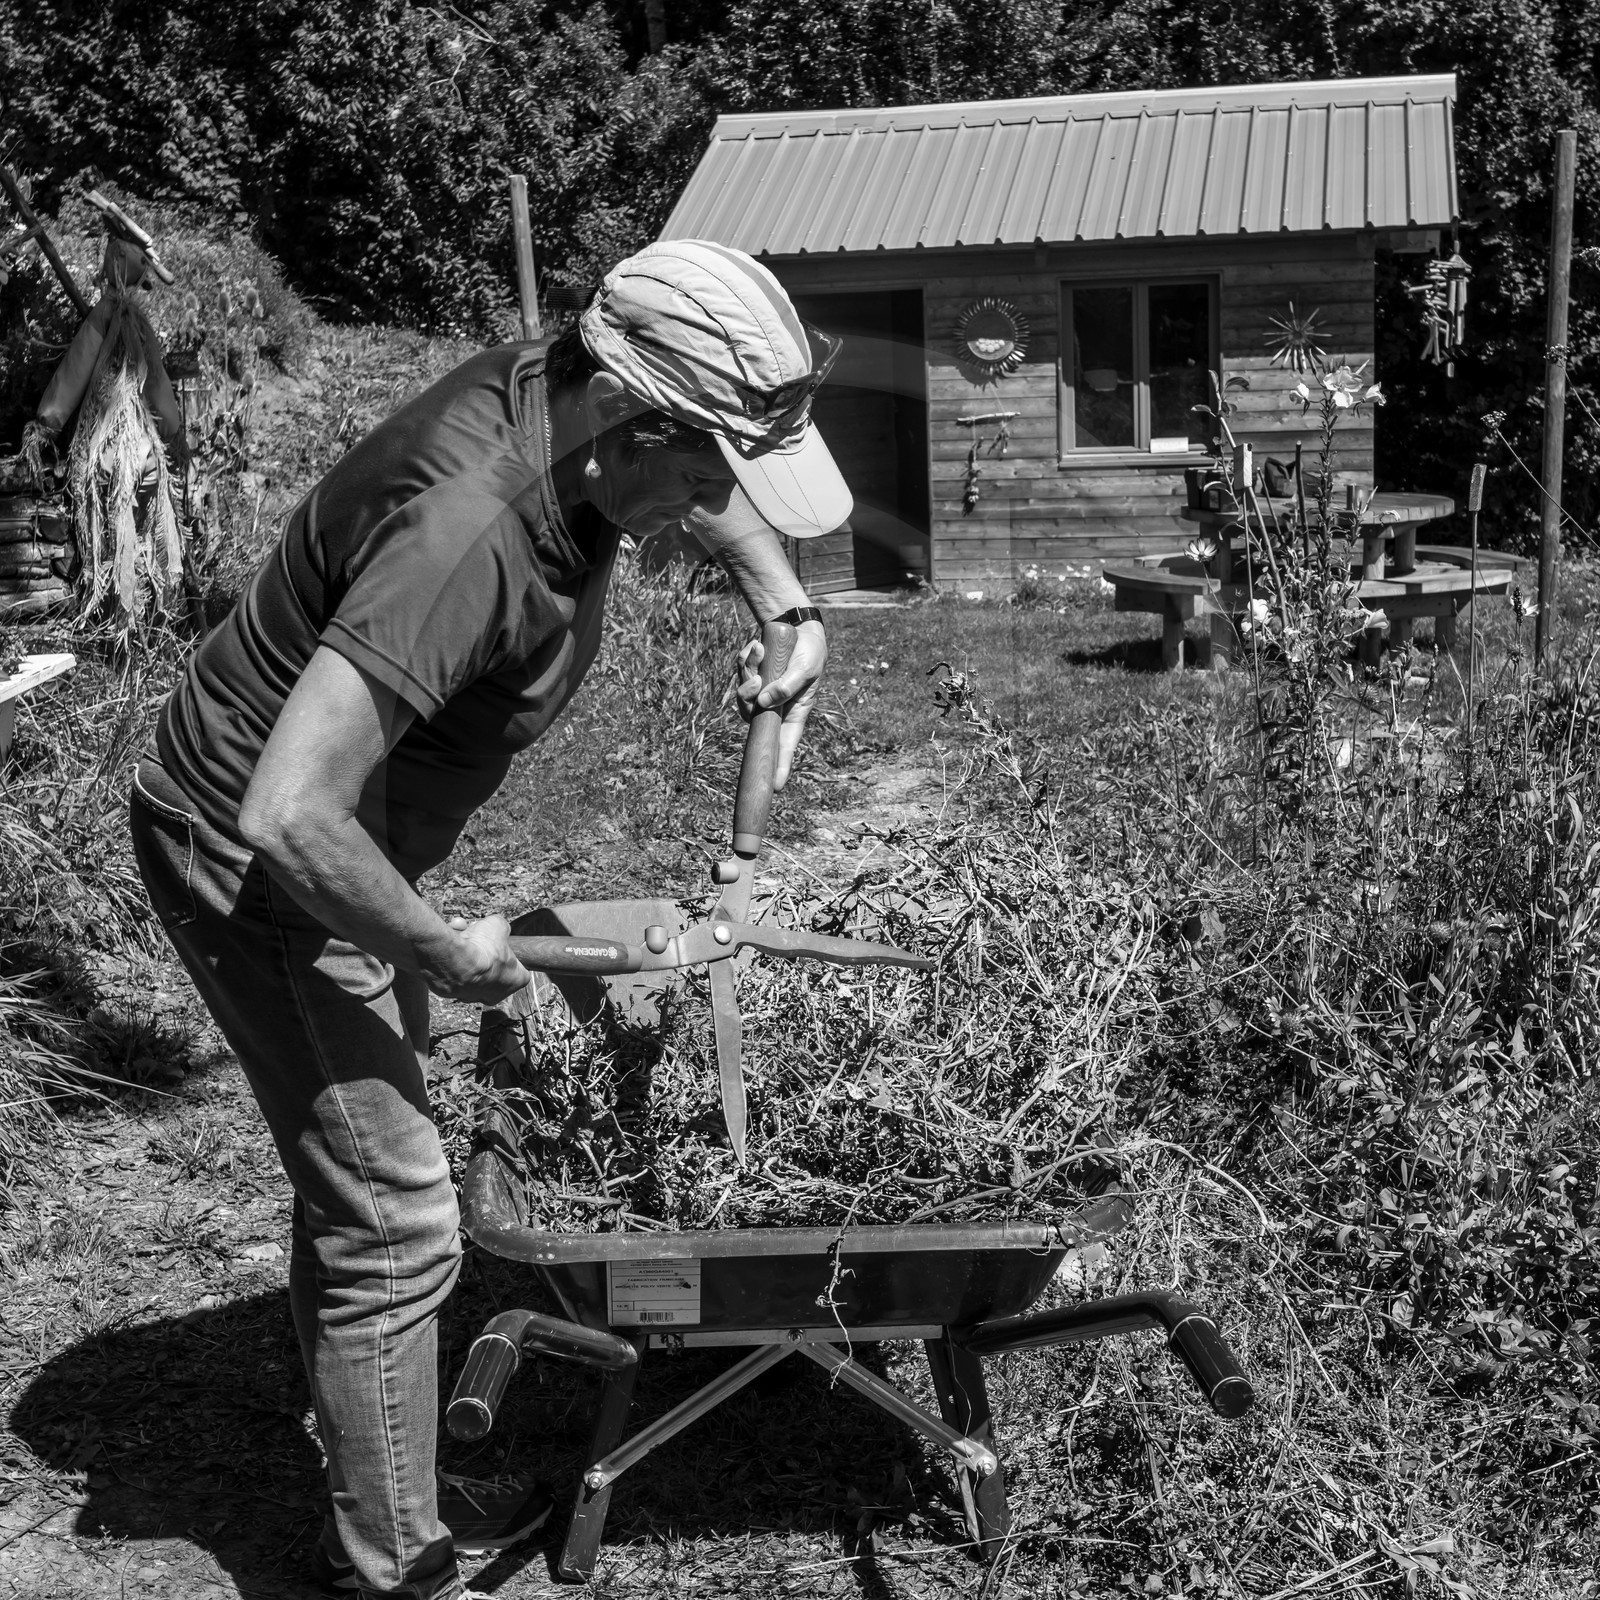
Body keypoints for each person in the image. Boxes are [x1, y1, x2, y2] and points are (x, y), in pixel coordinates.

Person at [128, 240, 848, 1600]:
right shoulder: (469, 536)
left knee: (361, 1176)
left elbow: (704, 474)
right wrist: (439, 948)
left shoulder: (575, 390)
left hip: (334, 839)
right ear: (640, 427)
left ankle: (373, 1461)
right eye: (712, 470)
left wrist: (783, 597)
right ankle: (394, 1563)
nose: (725, 501)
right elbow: (292, 814)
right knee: (400, 1214)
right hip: (263, 860)